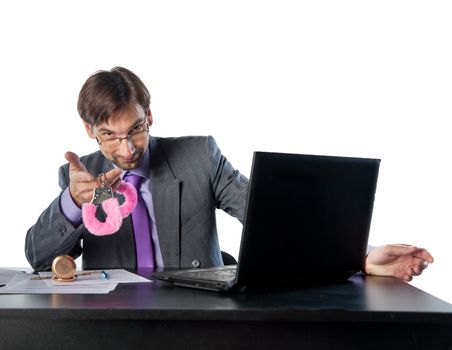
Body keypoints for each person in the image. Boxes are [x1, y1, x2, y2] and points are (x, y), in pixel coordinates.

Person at [25, 67, 433, 281]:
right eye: (108, 137)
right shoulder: (80, 176)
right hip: (116, 327)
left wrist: (358, 257)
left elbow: (272, 218)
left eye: (135, 129)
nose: (126, 148)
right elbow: (37, 258)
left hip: (198, 318)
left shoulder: (199, 155)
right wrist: (73, 206)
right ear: (88, 131)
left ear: (149, 115)